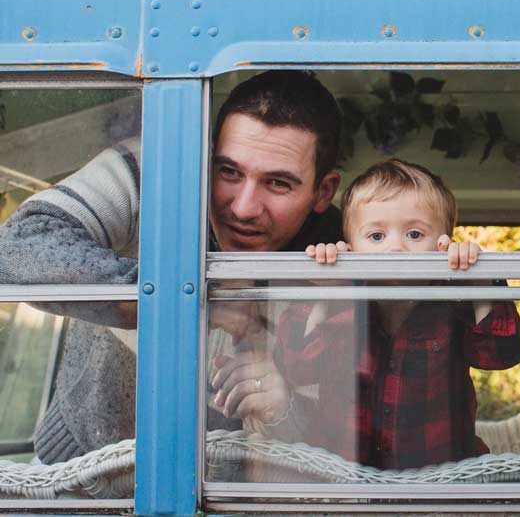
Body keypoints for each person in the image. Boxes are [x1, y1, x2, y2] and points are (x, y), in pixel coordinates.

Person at [0, 69, 345, 465]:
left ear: (324, 191)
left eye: (278, 184)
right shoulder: (155, 170)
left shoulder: (340, 256)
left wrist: (283, 410)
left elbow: (344, 444)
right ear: (207, 153)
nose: (244, 208)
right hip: (75, 469)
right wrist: (187, 297)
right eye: (228, 171)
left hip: (234, 496)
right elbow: (15, 248)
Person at [211, 160, 520, 469]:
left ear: (444, 244)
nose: (396, 248)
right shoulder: (343, 300)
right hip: (346, 476)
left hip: (440, 477)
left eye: (415, 234)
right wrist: (325, 291)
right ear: (351, 247)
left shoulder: (453, 302)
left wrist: (479, 281)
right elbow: (298, 365)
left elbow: (502, 353)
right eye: (376, 237)